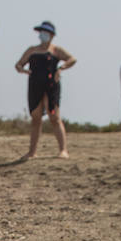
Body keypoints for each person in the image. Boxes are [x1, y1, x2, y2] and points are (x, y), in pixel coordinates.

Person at [14, 20, 76, 158]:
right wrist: (23, 71)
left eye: (46, 32)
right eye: (41, 32)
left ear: (52, 35)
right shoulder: (32, 50)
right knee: (36, 118)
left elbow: (72, 59)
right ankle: (32, 151)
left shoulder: (56, 50)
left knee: (54, 117)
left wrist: (61, 69)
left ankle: (63, 150)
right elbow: (18, 64)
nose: (43, 34)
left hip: (51, 86)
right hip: (35, 86)